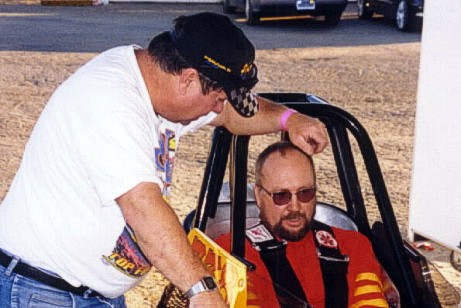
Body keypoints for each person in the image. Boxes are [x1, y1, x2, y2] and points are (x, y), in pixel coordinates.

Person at [0, 12, 328, 308]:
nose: (217, 108)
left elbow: (231, 116)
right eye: (215, 98)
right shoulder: (110, 100)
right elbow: (142, 208)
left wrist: (288, 119)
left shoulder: (156, 83)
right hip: (42, 291)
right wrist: (202, 289)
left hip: (90, 293)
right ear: (187, 79)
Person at [215, 142, 390, 308]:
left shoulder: (353, 245)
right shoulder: (230, 252)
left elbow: (370, 302)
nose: (295, 207)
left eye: (305, 193)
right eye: (281, 195)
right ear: (259, 196)